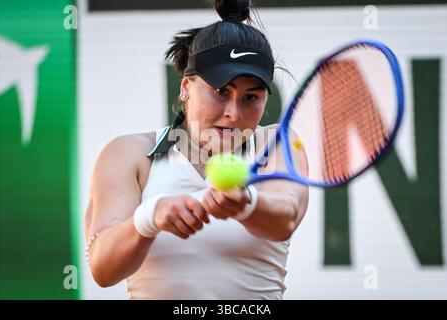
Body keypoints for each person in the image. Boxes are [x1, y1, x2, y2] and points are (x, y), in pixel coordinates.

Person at [84, 0, 309, 300]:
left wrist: (245, 202)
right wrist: (149, 218)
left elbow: (287, 217)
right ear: (186, 87)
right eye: (220, 91)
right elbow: (103, 269)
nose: (233, 112)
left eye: (251, 97)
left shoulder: (277, 144)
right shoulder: (130, 153)